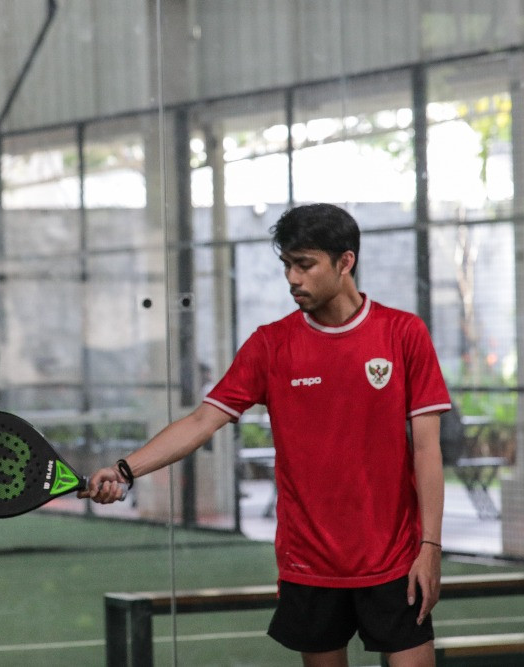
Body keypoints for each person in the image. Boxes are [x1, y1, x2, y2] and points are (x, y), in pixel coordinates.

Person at [83, 203, 451, 667]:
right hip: (309, 564)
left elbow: (427, 450)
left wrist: (430, 547)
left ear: (345, 262)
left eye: (305, 265)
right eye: (287, 265)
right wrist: (124, 470)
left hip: (396, 560)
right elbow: (200, 422)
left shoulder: (403, 333)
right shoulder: (270, 344)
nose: (292, 278)